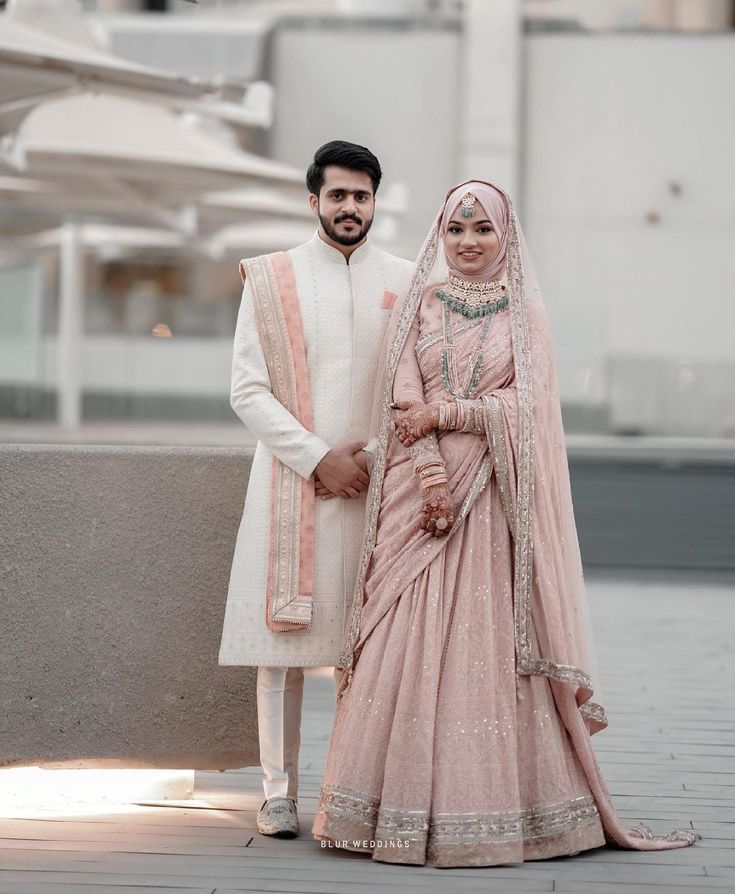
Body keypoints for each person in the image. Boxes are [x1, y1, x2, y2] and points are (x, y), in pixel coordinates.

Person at [312, 180, 700, 866]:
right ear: (441, 234)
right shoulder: (419, 306)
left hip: (492, 496)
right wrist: (429, 472)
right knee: (399, 631)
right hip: (417, 490)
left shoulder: (525, 315)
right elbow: (404, 397)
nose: (466, 243)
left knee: (485, 642)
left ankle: (498, 812)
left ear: (503, 237)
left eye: (481, 230)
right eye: (456, 230)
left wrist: (453, 415)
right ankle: (380, 812)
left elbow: (528, 409)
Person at [218, 141, 414, 838]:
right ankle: (276, 792)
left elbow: (417, 383)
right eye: (337, 195)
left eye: (361, 196)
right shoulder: (271, 278)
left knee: (366, 646)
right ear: (314, 201)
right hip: (288, 481)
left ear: (373, 202)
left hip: (378, 483)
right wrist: (314, 458)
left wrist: (368, 458)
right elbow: (246, 388)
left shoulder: (408, 278)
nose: (350, 207)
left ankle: (352, 788)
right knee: (282, 646)